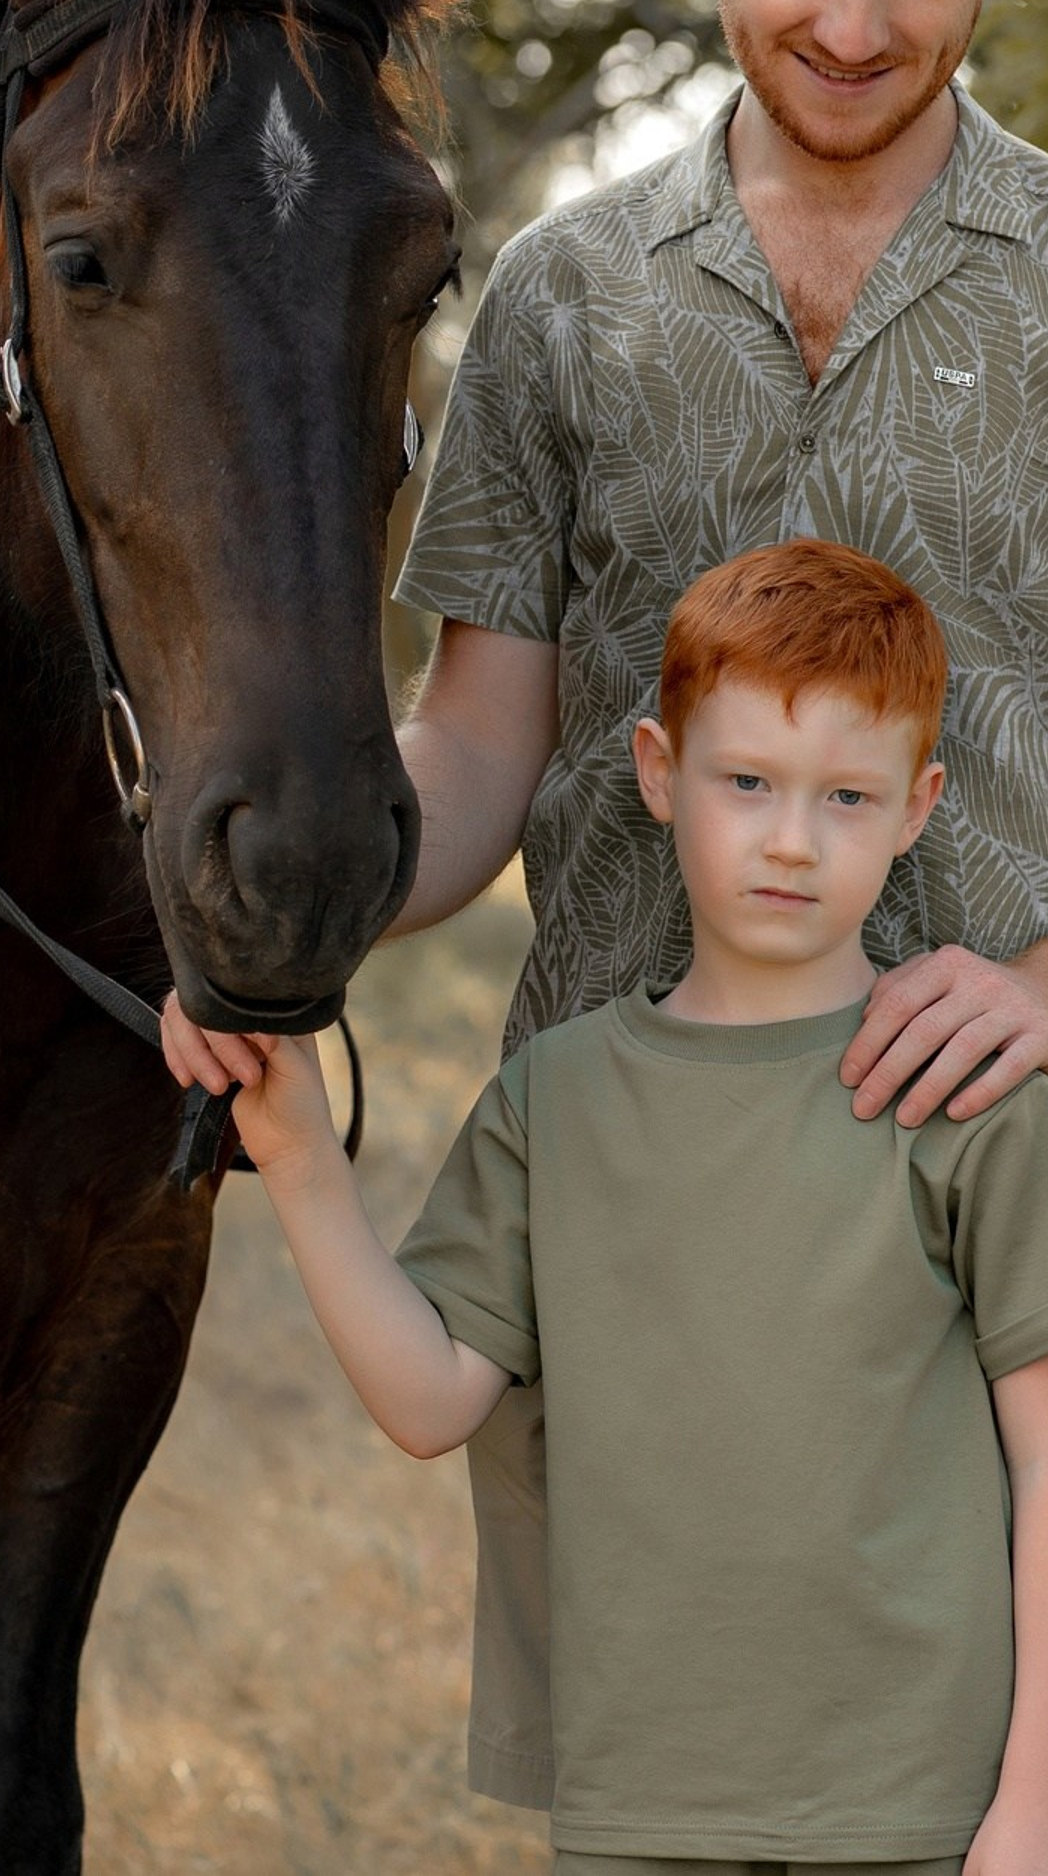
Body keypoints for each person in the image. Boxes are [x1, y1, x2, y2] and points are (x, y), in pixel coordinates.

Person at [172, 0, 1048, 1809]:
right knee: (669, 1798)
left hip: (1006, 1203)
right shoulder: (562, 296)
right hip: (637, 1222)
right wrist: (276, 899)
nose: (850, 24)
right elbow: (478, 748)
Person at [191, 541, 1048, 1876]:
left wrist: (1030, 1808)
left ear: (919, 806)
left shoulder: (965, 1100)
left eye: (846, 797)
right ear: (659, 771)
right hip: (643, 1807)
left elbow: (1047, 1462)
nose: (787, 839)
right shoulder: (556, 1101)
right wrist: (304, 1168)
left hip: (921, 1812)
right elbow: (430, 1404)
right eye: (747, 780)